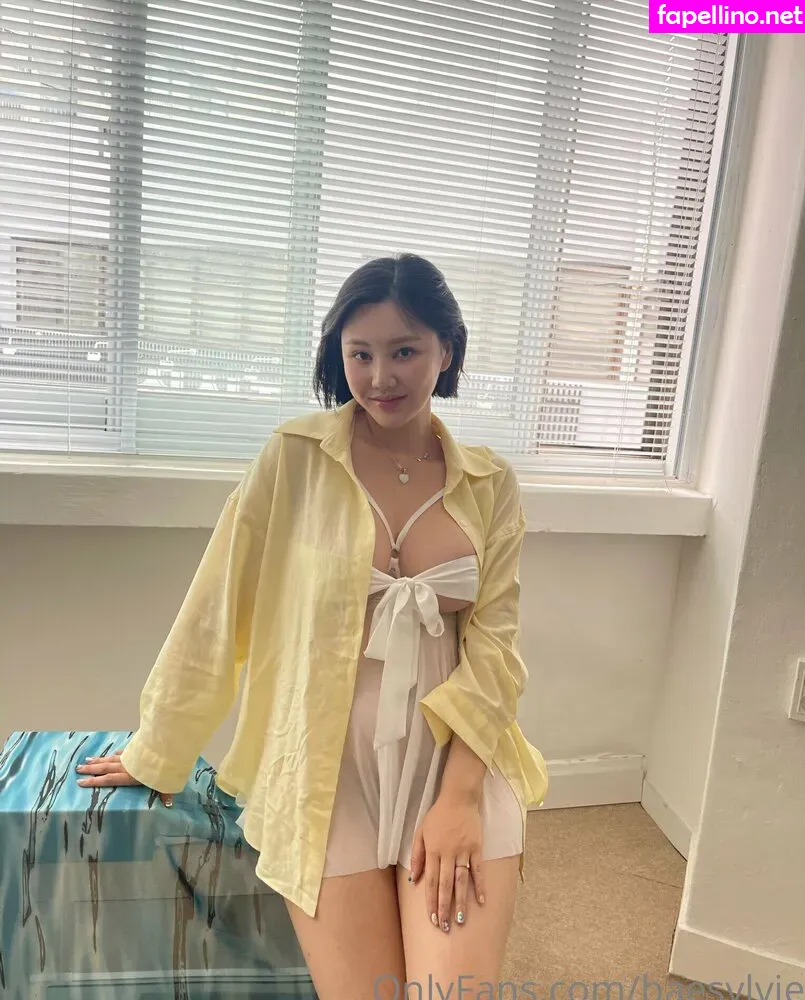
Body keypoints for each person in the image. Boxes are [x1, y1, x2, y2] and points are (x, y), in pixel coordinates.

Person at [76, 253, 549, 1000]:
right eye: (360, 353)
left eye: (405, 351)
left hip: (453, 764)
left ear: (446, 350)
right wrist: (158, 750)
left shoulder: (491, 484)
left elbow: (495, 649)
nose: (380, 376)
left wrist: (459, 799)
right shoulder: (294, 459)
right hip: (327, 777)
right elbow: (218, 609)